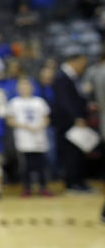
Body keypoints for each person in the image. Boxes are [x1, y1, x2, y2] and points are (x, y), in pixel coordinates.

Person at [51, 52, 92, 192]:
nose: (83, 67)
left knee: (77, 153)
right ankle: (72, 183)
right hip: (68, 123)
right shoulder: (62, 77)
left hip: (74, 122)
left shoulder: (72, 77)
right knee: (71, 154)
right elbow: (64, 101)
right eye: (82, 63)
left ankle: (79, 182)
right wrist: (76, 117)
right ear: (75, 61)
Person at [6, 77, 52, 197]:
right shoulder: (14, 102)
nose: (25, 89)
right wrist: (24, 126)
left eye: (27, 86)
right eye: (22, 87)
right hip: (24, 138)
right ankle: (27, 188)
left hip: (39, 137)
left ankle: (43, 187)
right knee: (26, 165)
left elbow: (47, 118)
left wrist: (39, 126)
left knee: (40, 164)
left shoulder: (39, 102)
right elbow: (10, 120)